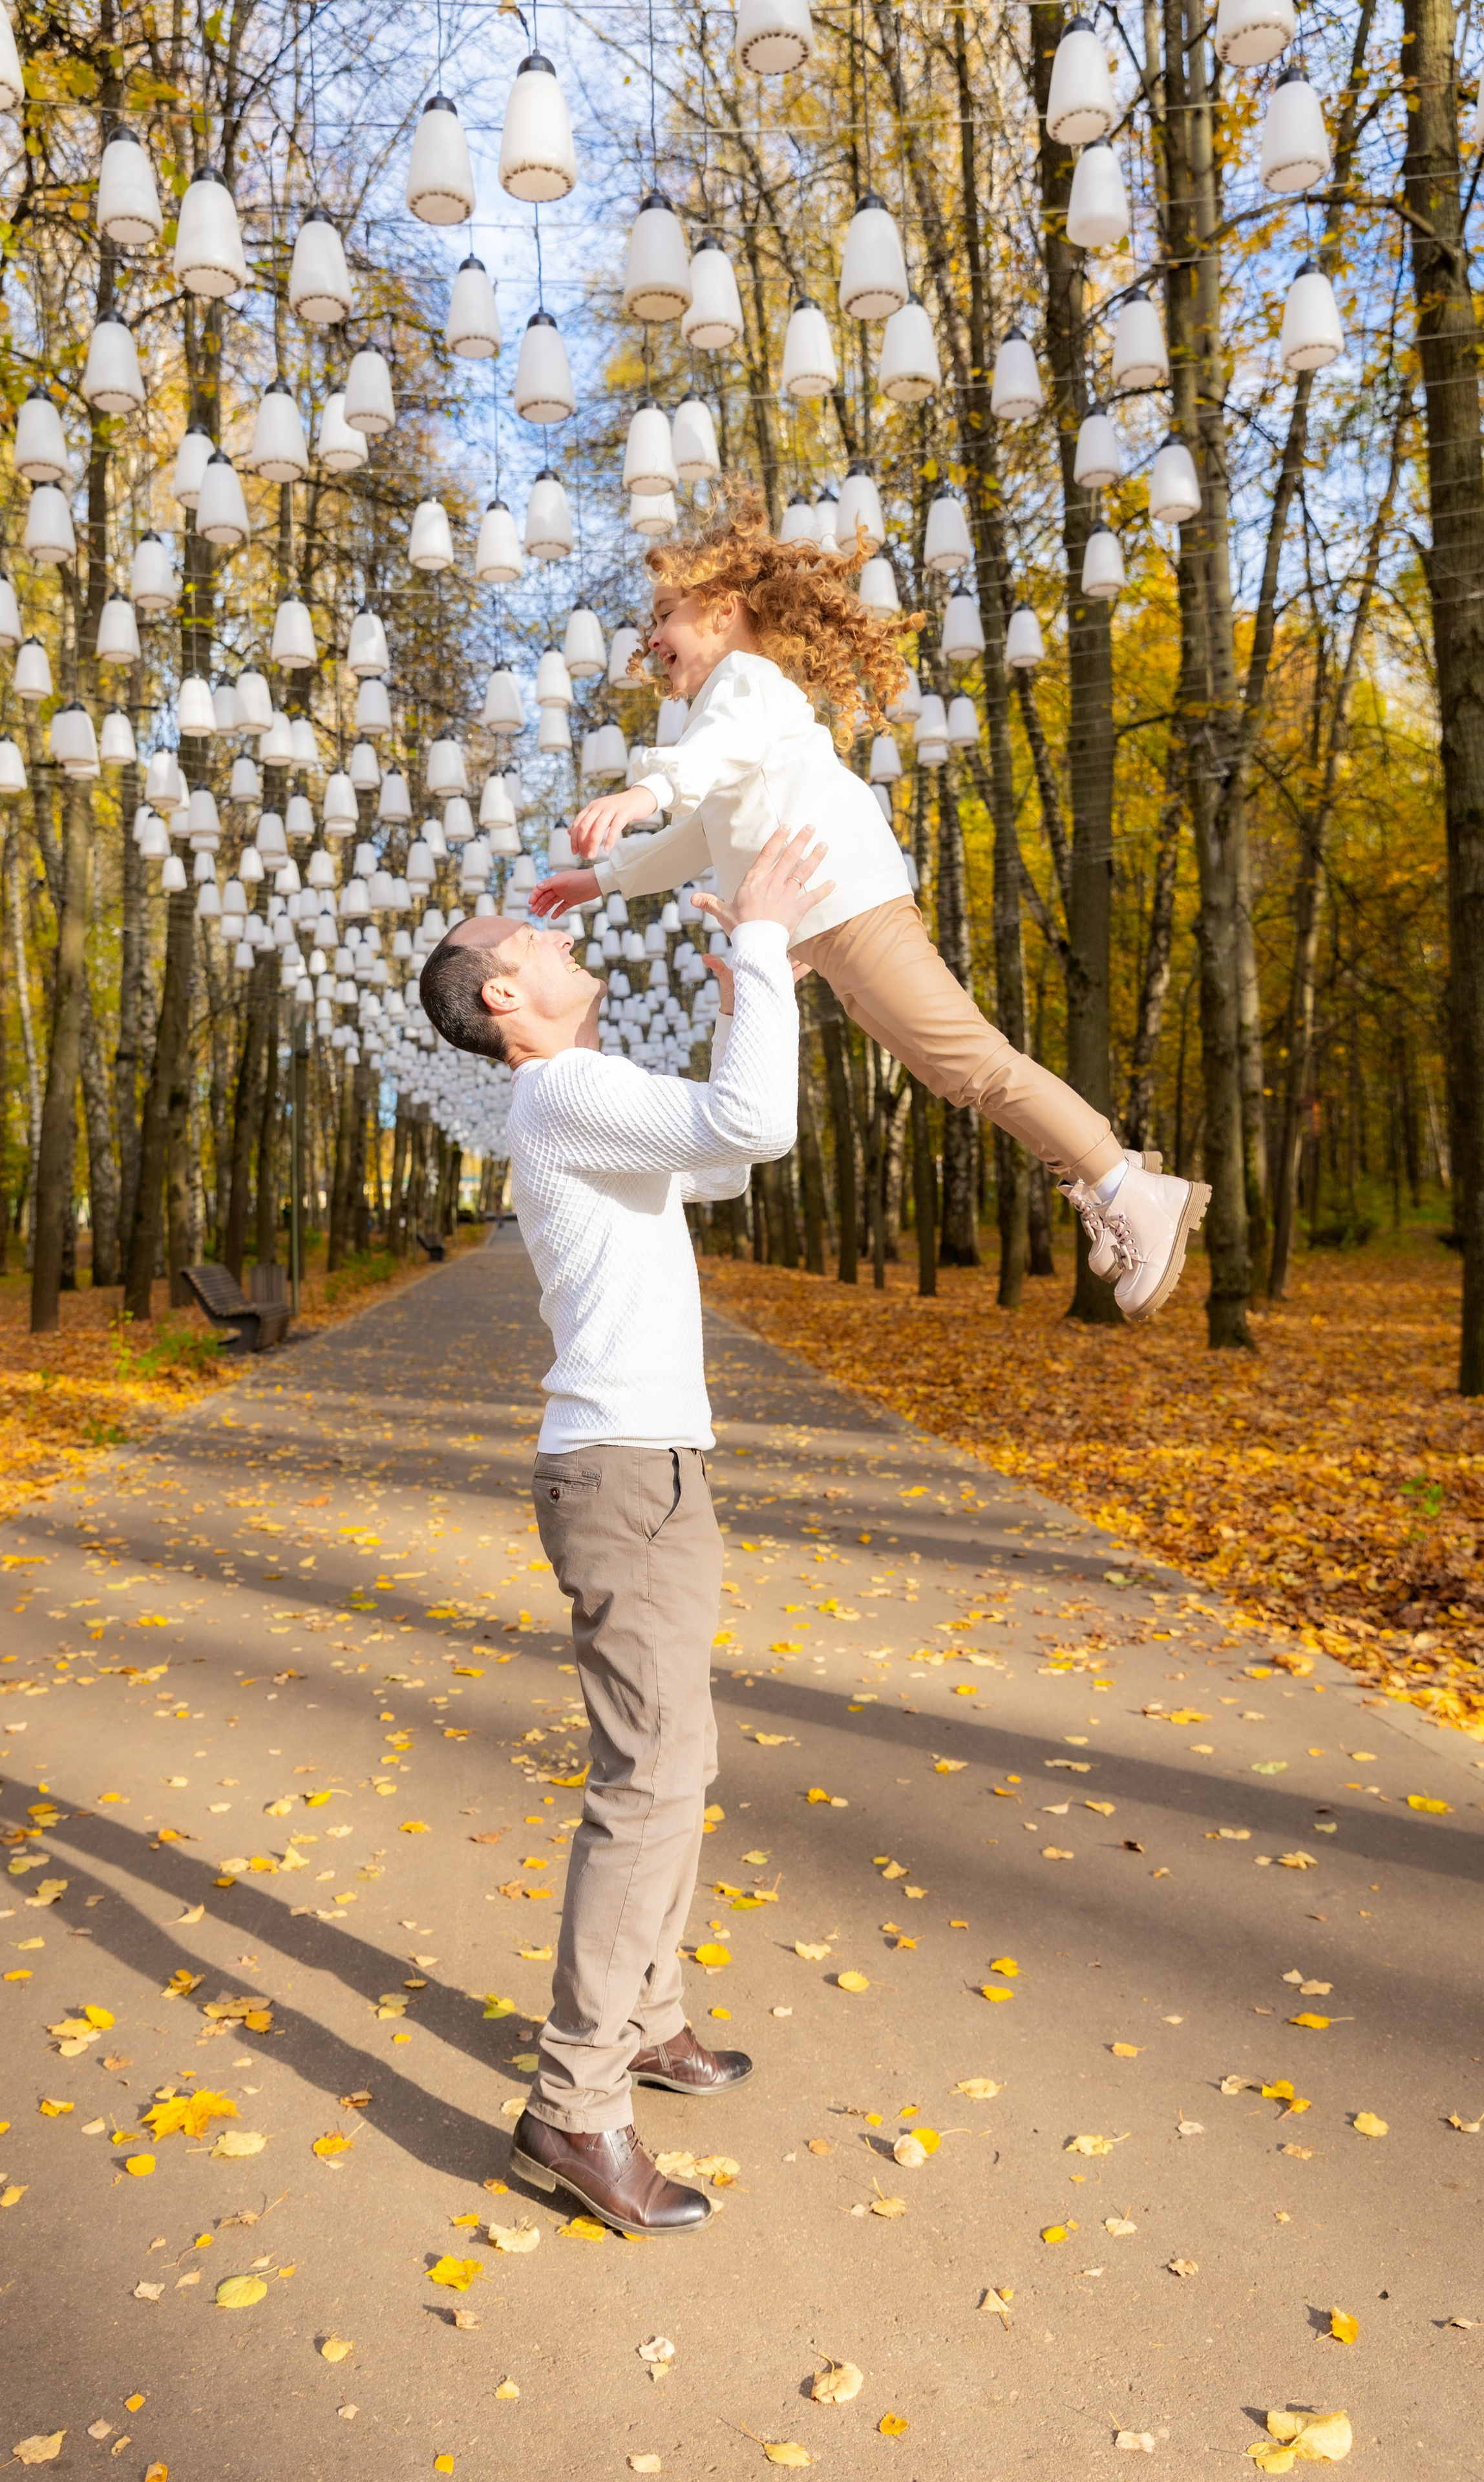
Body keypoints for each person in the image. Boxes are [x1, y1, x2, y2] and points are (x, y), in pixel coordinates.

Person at [418, 825, 831, 2237]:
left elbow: (713, 1165)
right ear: (500, 998)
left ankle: (646, 2018)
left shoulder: (578, 1103)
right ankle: (574, 2105)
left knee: (673, 1758)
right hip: (621, 1476)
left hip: (646, 1467)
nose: (552, 926)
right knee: (647, 1781)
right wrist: (767, 941)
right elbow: (752, 1130)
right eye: (523, 933)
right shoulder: (563, 1088)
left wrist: (736, 996)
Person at [535, 494, 1210, 1321]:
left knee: (971, 1063)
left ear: (721, 611)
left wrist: (645, 788)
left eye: (662, 614)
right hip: (818, 926)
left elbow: (710, 762)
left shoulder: (745, 685)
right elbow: (700, 833)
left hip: (844, 902)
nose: (648, 637)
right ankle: (1113, 1179)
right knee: (950, 1074)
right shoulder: (721, 719)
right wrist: (601, 881)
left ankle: (1127, 1186)